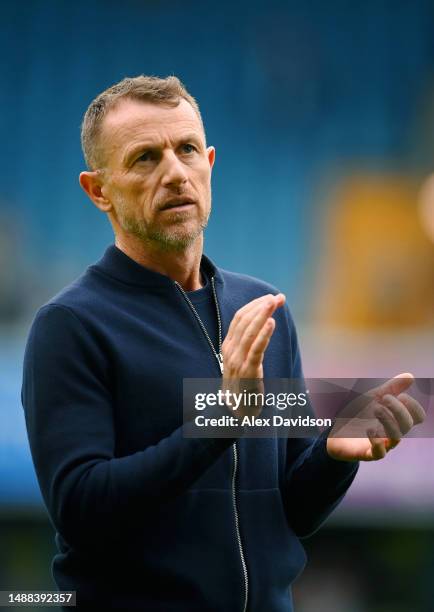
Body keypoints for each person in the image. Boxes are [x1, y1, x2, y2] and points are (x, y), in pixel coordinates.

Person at [21, 75, 425, 612]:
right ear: (99, 191)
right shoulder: (70, 326)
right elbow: (82, 508)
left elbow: (292, 513)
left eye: (186, 149)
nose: (174, 173)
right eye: (145, 158)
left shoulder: (261, 309)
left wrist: (333, 453)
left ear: (209, 163)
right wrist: (221, 418)